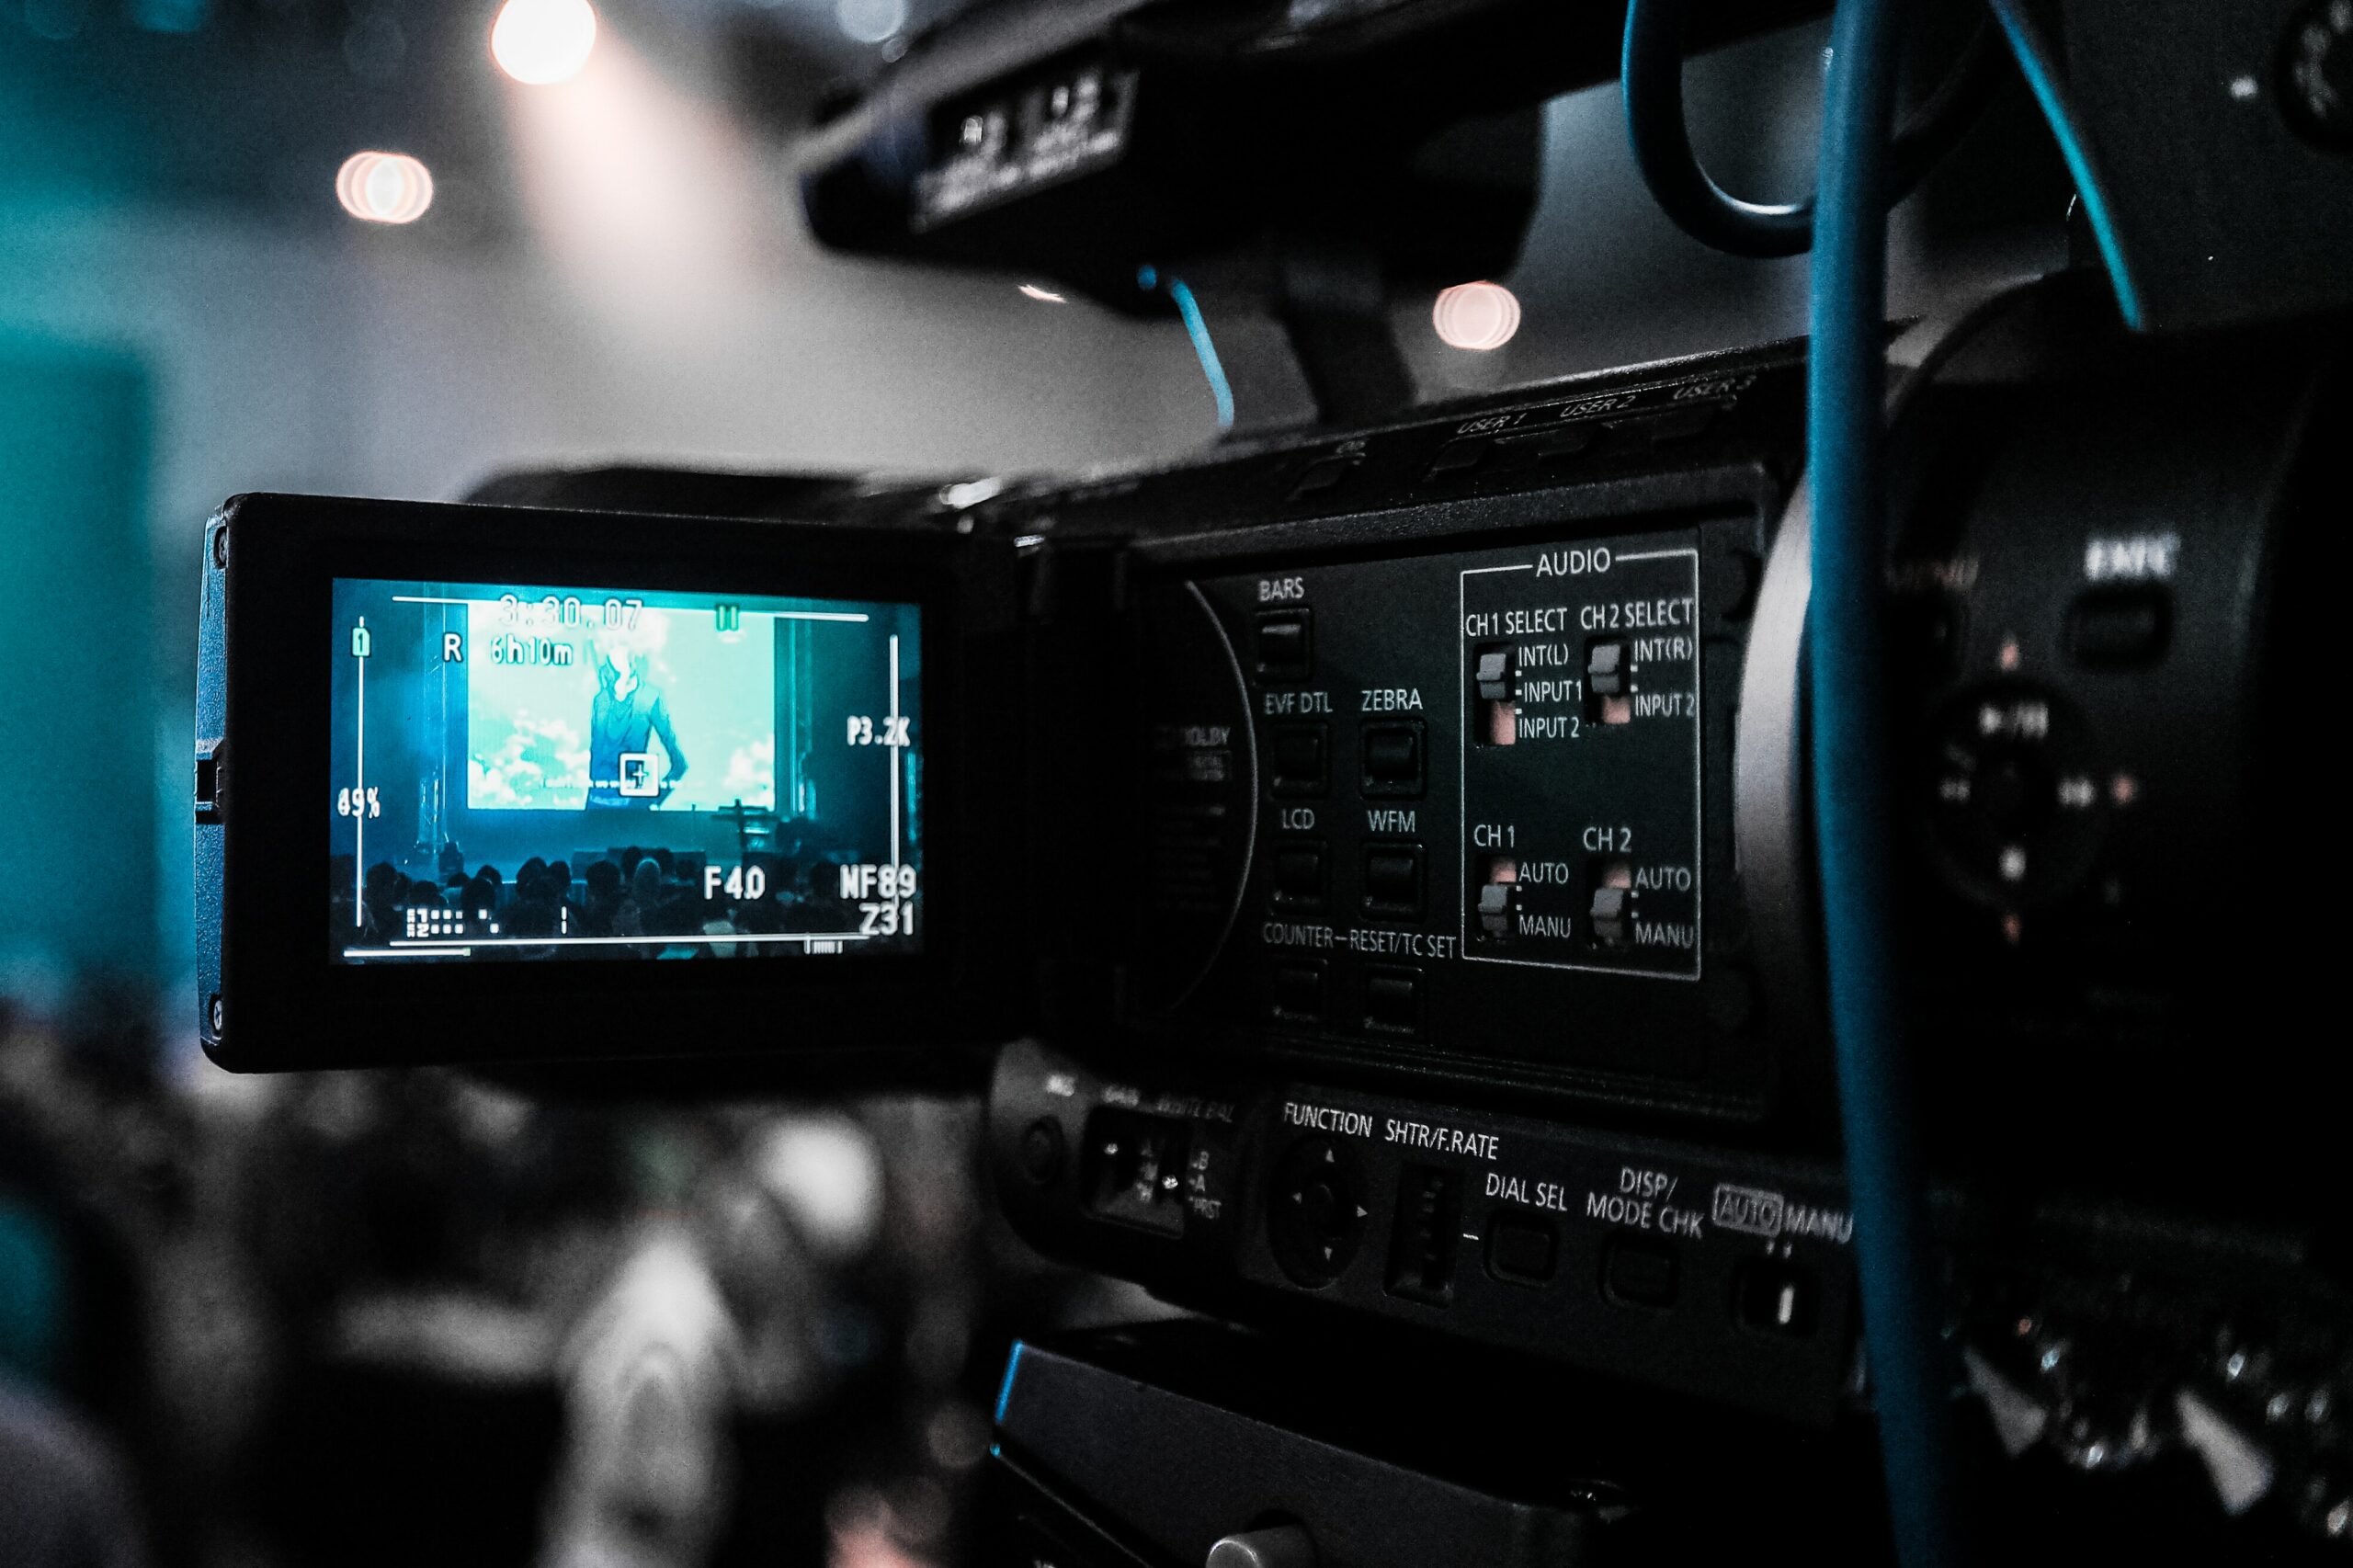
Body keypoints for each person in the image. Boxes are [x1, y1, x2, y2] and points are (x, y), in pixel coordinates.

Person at [585, 638, 687, 811]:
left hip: (632, 811)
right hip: (595, 807)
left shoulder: (649, 698)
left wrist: (652, 801)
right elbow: (600, 751)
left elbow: (679, 764)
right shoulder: (601, 700)